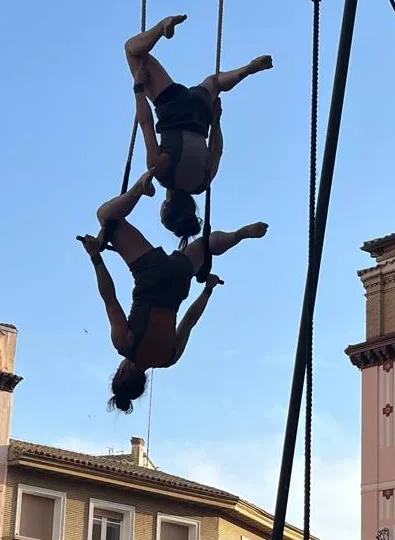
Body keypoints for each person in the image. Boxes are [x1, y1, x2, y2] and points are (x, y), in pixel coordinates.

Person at [80, 169, 267, 413]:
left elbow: (189, 321)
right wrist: (96, 258)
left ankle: (240, 235)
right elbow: (110, 299)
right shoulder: (124, 344)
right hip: (151, 275)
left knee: (205, 245)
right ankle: (139, 190)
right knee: (106, 217)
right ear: (123, 371)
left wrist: (207, 291)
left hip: (179, 285)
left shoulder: (169, 358)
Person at [123, 14, 273, 239]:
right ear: (166, 206)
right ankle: (161, 28)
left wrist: (216, 119)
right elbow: (145, 124)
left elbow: (217, 150)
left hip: (201, 115)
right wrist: (138, 89)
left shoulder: (202, 183)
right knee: (133, 51)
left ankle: (245, 70)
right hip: (172, 107)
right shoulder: (161, 172)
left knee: (214, 82)